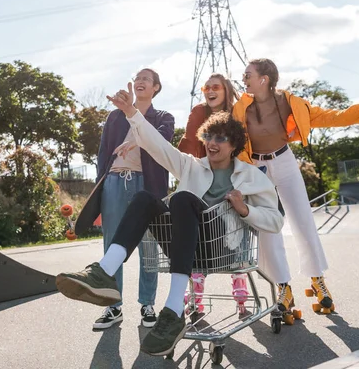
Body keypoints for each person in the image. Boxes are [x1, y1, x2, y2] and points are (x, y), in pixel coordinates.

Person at [56, 83, 284, 356]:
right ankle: (104, 272)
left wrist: (245, 210)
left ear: (234, 144)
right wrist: (131, 112)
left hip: (222, 249)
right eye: (209, 135)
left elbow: (275, 221)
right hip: (183, 248)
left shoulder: (251, 176)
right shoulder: (191, 165)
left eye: (221, 138)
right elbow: (158, 146)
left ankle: (173, 309)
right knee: (144, 198)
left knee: (181, 198)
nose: (212, 142)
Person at [233, 58, 359, 313]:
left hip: (284, 161)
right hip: (257, 169)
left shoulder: (290, 102)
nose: (243, 78)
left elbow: (330, 117)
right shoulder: (241, 106)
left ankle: (318, 280)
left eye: (247, 74)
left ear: (264, 79)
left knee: (303, 220)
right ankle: (283, 286)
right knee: (269, 227)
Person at [93, 68, 174, 330]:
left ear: (156, 88)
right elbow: (103, 153)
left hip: (146, 185)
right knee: (112, 245)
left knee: (149, 247)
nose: (140, 81)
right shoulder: (115, 117)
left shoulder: (163, 118)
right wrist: (100, 190)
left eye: (146, 79)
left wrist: (137, 137)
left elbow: (161, 142)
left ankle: (147, 304)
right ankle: (113, 306)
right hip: (115, 182)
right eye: (137, 77)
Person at [176, 73, 248, 313]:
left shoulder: (238, 110)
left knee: (236, 229)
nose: (210, 90)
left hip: (234, 175)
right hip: (205, 176)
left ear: (226, 89)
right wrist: (181, 168)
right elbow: (189, 140)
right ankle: (196, 289)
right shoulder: (199, 112)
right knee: (200, 232)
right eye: (206, 87)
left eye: (215, 86)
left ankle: (239, 278)